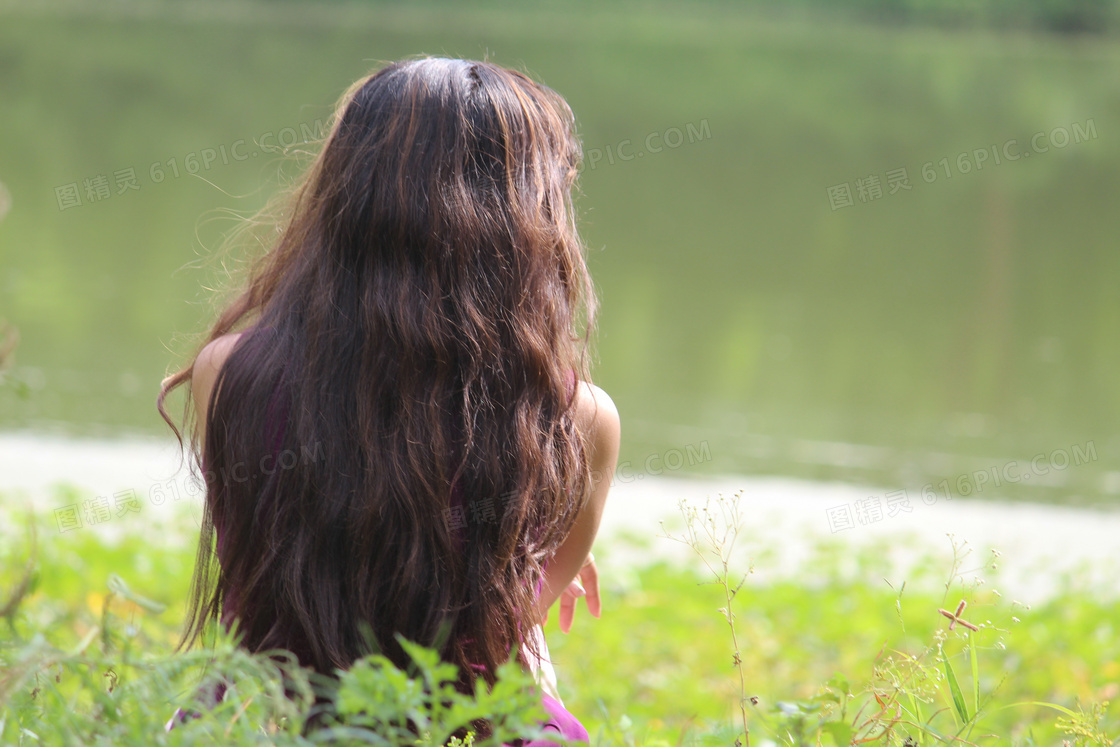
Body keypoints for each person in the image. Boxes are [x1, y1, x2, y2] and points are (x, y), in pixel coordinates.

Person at [157, 56, 620, 744]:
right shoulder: (576, 420)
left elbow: (267, 567)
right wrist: (516, 561)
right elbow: (508, 639)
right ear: (528, 218)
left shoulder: (226, 372)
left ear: (344, 194)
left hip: (265, 722)